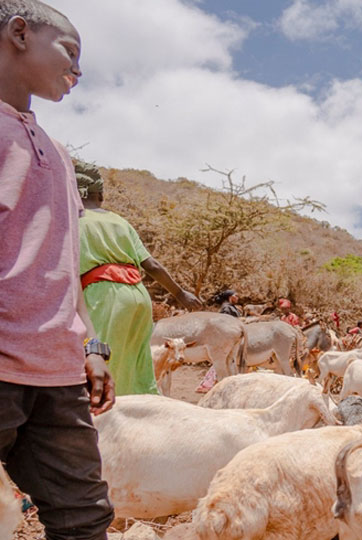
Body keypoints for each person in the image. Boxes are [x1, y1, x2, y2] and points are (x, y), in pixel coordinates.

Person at [0, 2, 116, 536]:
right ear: (19, 33)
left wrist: (90, 345)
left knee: (85, 516)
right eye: (70, 51)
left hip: (57, 371)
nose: (78, 70)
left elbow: (61, 263)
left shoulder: (56, 152)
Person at [76, 161, 202, 395]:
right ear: (100, 194)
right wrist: (180, 294)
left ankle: (102, 423)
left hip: (102, 295)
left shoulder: (75, 220)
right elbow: (151, 265)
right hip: (137, 296)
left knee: (102, 360)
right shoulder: (120, 221)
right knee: (137, 363)